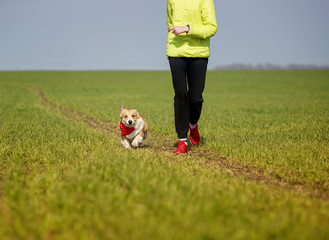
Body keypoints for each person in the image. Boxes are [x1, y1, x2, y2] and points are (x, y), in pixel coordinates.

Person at [166, 0, 218, 154]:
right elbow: (170, 21)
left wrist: (187, 29)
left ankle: (193, 125)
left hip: (199, 53)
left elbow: (212, 27)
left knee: (195, 98)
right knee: (180, 95)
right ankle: (182, 140)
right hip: (176, 52)